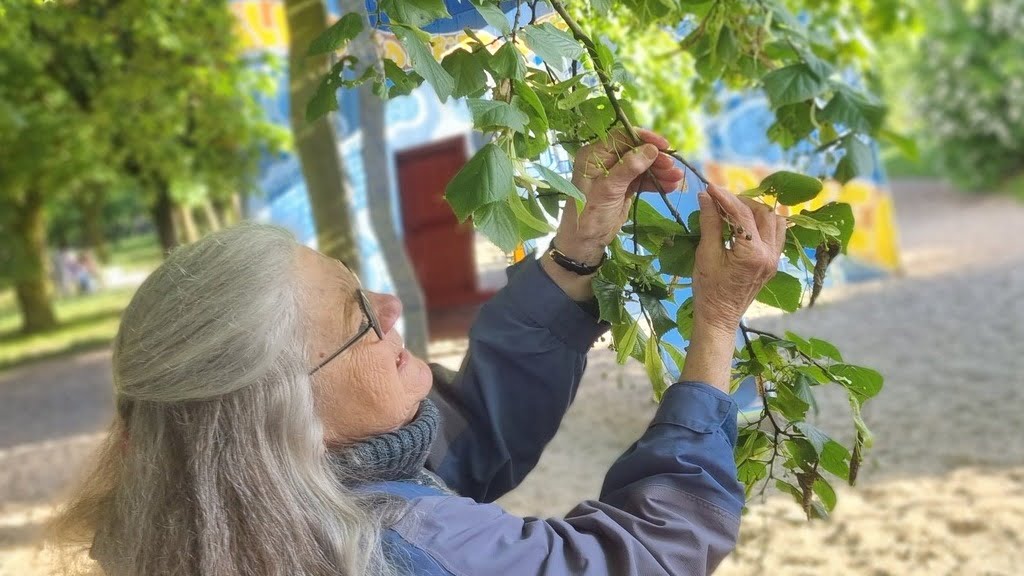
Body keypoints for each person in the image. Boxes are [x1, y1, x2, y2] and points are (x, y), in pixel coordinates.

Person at [51, 129, 786, 576]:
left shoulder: (226, 505)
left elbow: (469, 438)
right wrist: (715, 325)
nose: (392, 308)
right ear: (283, 413)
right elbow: (647, 553)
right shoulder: (390, 548)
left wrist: (578, 249)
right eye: (358, 317)